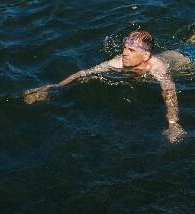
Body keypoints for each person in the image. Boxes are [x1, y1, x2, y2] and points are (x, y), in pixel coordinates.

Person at [23, 30, 185, 144]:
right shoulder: (118, 62)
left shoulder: (157, 68)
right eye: (125, 48)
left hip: (183, 61)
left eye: (131, 50)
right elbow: (84, 73)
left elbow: (169, 92)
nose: (124, 53)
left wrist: (173, 123)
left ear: (145, 55)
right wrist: (54, 87)